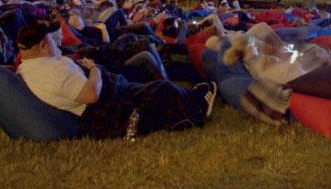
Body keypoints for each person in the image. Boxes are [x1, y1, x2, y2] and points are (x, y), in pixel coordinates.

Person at [16, 20, 216, 139]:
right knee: (161, 89)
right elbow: (91, 95)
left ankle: (192, 96)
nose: (56, 40)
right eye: (51, 39)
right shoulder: (53, 72)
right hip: (105, 106)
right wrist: (94, 69)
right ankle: (198, 104)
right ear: (42, 45)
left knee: (150, 88)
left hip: (105, 95)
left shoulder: (30, 67)